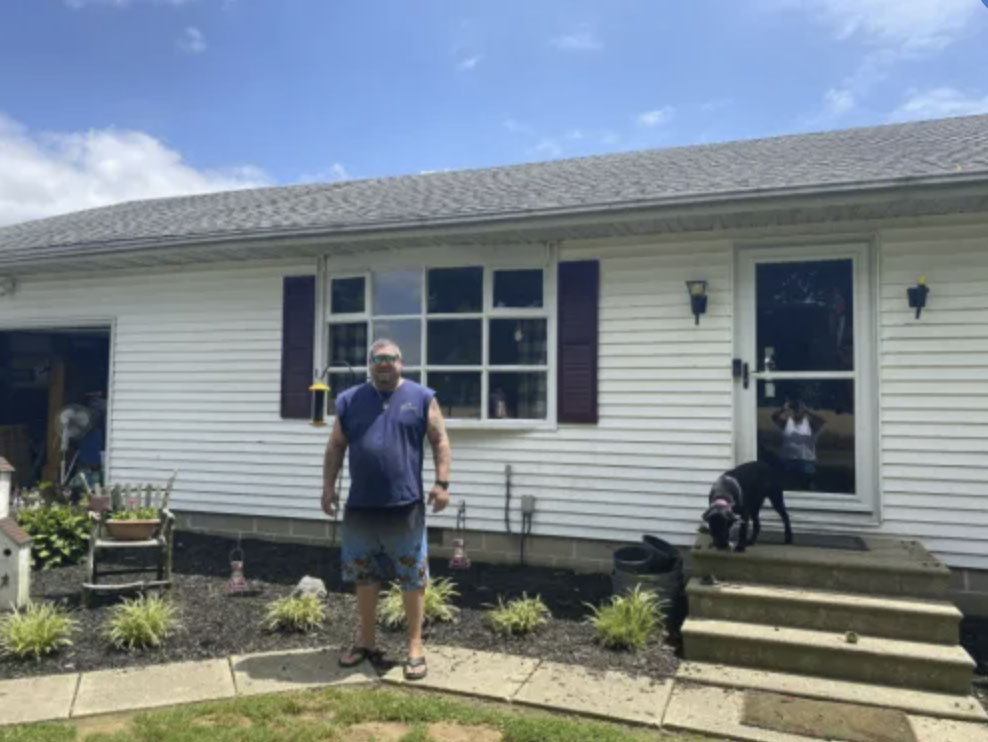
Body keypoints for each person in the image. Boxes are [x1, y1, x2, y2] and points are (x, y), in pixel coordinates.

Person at [321, 338, 451, 681]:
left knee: (412, 578)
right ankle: (365, 642)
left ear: (401, 362)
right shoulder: (349, 400)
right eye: (377, 359)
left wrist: (443, 484)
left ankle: (414, 648)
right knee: (364, 577)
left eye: (390, 358)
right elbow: (335, 445)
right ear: (369, 364)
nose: (384, 364)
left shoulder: (422, 398)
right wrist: (328, 487)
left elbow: (439, 440)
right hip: (361, 507)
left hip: (405, 506)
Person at [772, 397, 825, 490]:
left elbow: (822, 421)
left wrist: (808, 411)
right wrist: (783, 409)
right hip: (789, 460)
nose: (797, 411)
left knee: (807, 488)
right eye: (795, 409)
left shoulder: (810, 424)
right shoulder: (787, 423)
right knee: (789, 488)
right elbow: (774, 417)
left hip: (806, 461)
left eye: (799, 409)